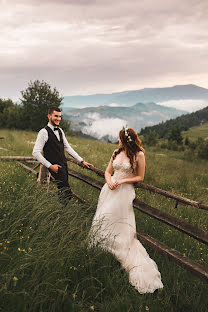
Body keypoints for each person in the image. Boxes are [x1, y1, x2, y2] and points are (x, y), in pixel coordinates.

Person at [89, 127, 163, 294]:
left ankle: (119, 249)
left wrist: (121, 182)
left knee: (118, 223)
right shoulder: (116, 152)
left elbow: (140, 177)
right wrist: (110, 181)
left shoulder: (139, 155)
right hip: (109, 189)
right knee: (103, 217)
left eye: (120, 138)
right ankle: (103, 247)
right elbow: (108, 171)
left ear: (126, 140)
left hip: (124, 191)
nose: (118, 141)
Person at [33, 106, 93, 203]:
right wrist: (50, 166)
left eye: (60, 116)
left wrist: (81, 161)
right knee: (66, 193)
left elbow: (68, 148)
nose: (58, 119)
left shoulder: (60, 131)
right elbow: (35, 152)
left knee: (63, 192)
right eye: (56, 116)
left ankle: (60, 211)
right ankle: (60, 212)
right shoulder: (43, 132)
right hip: (54, 167)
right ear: (49, 116)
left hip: (63, 165)